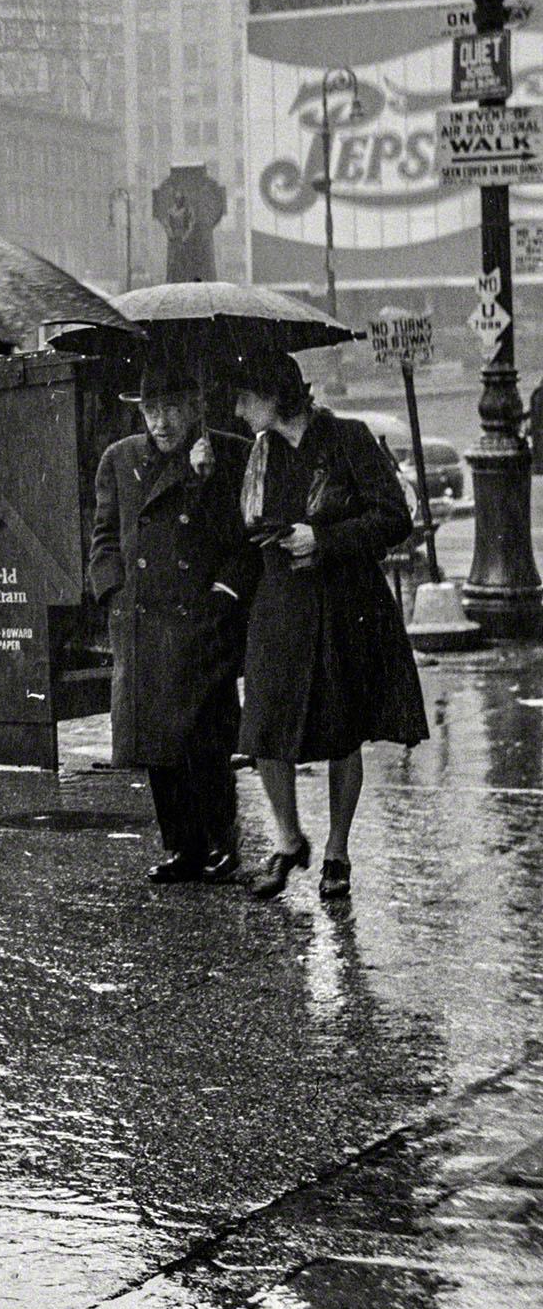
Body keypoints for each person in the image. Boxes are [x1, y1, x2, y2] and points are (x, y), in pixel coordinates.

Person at [227, 348, 427, 902]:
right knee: (265, 728)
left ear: (274, 396)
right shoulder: (258, 453)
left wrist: (324, 539)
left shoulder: (348, 438)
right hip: (280, 606)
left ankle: (337, 852)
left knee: (342, 730)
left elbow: (394, 517)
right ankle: (289, 841)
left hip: (344, 605)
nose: (237, 409)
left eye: (245, 397)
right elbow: (243, 530)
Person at [89, 359, 256, 885]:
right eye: (151, 410)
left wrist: (224, 594)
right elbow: (105, 535)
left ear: (194, 407)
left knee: (205, 741)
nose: (160, 422)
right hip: (142, 620)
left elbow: (244, 540)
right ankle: (182, 847)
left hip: (201, 618)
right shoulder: (120, 459)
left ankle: (221, 843)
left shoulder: (229, 455)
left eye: (171, 409)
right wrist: (113, 591)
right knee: (156, 744)